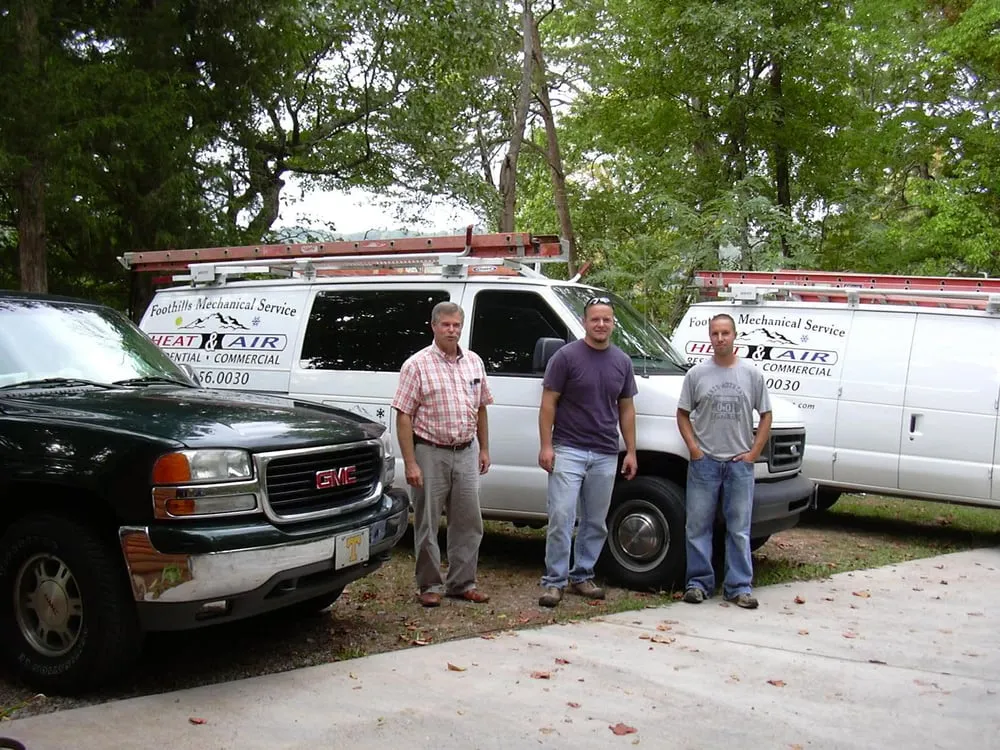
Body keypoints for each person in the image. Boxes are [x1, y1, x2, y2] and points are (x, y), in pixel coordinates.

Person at [537, 295, 638, 608]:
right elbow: (548, 403)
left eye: (606, 319)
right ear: (585, 322)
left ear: (613, 323)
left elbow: (627, 409)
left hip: (606, 452)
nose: (601, 324)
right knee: (561, 517)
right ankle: (554, 582)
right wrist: (546, 445)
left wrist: (631, 451)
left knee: (595, 521)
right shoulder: (566, 358)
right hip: (568, 449)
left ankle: (582, 575)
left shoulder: (622, 361)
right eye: (595, 319)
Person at [392, 301, 493, 608]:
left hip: (465, 452)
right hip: (429, 452)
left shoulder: (474, 362)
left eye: (456, 325)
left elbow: (481, 407)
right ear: (433, 326)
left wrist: (484, 447)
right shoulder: (416, 365)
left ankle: (462, 583)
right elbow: (403, 415)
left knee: (469, 521)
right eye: (446, 325)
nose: (452, 330)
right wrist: (410, 462)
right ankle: (429, 584)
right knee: (427, 522)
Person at [677, 313, 772, 609]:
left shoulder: (751, 375)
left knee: (739, 529)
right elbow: (682, 414)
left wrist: (754, 453)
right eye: (715, 333)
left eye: (725, 333)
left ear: (734, 337)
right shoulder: (696, 375)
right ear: (710, 337)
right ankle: (698, 583)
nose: (720, 338)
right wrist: (694, 448)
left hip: (739, 464)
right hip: (705, 463)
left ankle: (739, 586)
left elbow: (766, 415)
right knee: (697, 527)